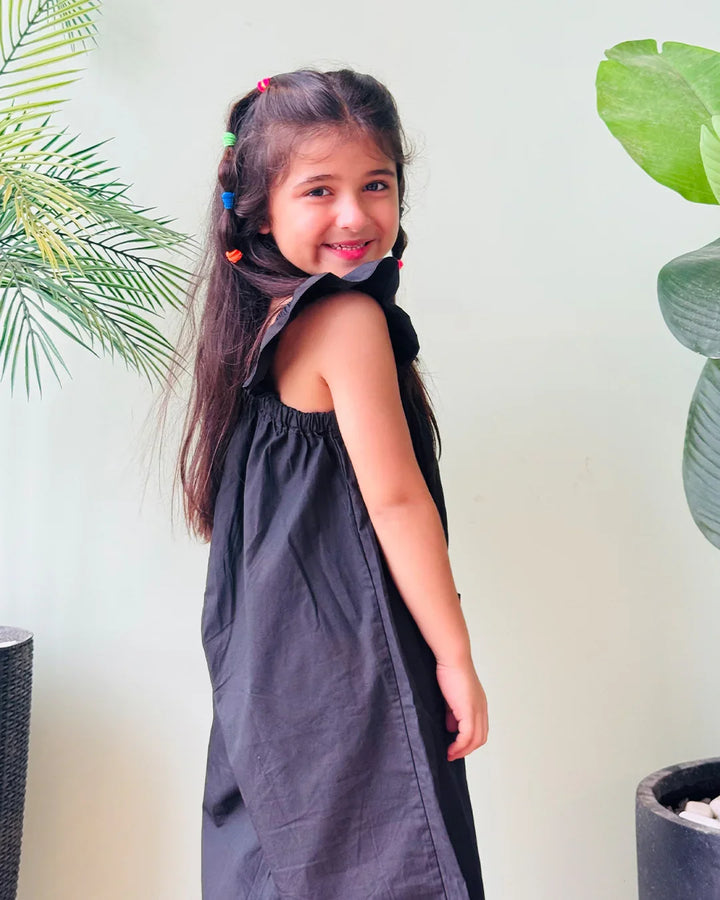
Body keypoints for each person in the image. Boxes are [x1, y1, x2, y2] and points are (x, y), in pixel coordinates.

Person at [176, 67, 489, 899]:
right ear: (260, 209)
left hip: (278, 671)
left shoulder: (264, 326)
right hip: (348, 664)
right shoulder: (347, 321)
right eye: (320, 189)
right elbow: (393, 500)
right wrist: (454, 657)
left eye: (375, 184)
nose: (355, 215)